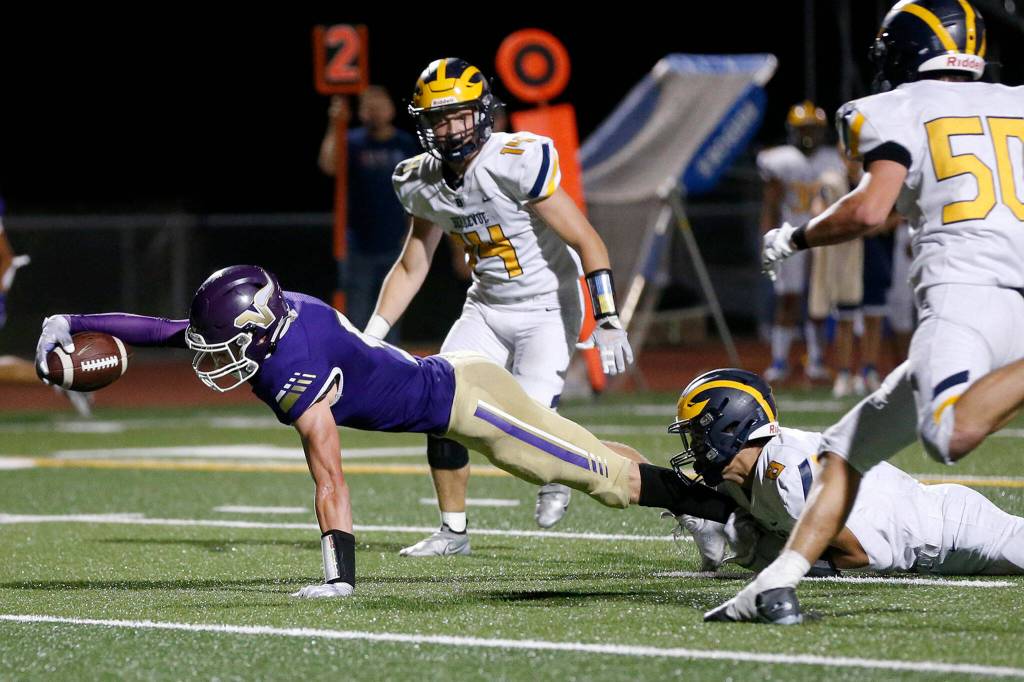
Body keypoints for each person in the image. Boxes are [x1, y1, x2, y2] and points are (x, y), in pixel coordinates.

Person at [35, 265, 729, 598]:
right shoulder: (279, 319)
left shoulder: (293, 365)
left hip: (468, 404)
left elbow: (330, 472)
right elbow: (163, 331)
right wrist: (70, 320)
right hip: (456, 381)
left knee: (595, 478)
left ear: (260, 329)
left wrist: (340, 578)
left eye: (225, 346)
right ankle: (693, 501)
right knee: (577, 453)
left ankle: (718, 505)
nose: (211, 359)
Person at [710, 0, 1024, 624]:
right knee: (843, 450)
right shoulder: (1015, 101)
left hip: (963, 297)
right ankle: (775, 587)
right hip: (1007, 291)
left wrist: (794, 237)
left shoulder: (891, 109)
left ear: (903, 53)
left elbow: (870, 209)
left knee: (948, 434)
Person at [364, 58, 633, 556]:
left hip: (547, 309)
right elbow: (411, 265)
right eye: (438, 119)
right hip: (485, 307)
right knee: (438, 404)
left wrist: (609, 317)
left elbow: (587, 240)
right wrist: (372, 334)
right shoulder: (419, 179)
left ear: (482, 112)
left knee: (528, 440)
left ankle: (638, 488)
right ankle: (452, 531)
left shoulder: (516, 159)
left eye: (459, 115)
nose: (449, 128)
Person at [666, 369, 1023, 581]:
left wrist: (766, 560)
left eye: (698, 432)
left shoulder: (788, 475)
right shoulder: (742, 478)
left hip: (954, 532)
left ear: (730, 426)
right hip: (929, 539)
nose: (694, 444)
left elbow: (864, 556)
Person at [319, 87, 421, 342]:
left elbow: (415, 195)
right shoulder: (351, 141)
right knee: (356, 315)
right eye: (368, 106)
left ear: (391, 108)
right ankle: (355, 367)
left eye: (380, 104)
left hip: (395, 243)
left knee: (391, 315)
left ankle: (389, 368)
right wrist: (335, 122)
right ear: (361, 112)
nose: (375, 111)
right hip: (358, 245)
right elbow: (328, 165)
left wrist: (412, 234)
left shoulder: (404, 143)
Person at [758, 101, 846, 385]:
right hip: (789, 236)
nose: (808, 135)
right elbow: (771, 202)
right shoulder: (780, 159)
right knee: (789, 299)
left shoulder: (833, 159)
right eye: (803, 129)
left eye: (813, 129)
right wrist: (767, 237)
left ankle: (816, 361)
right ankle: (780, 361)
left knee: (819, 301)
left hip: (822, 235)